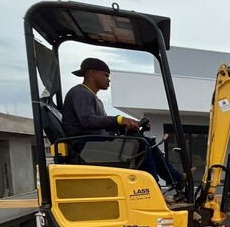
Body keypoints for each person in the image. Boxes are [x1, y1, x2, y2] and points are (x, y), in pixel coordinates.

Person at [61, 57, 184, 193]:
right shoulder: (80, 93)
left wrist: (130, 124)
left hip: (95, 142)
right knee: (141, 144)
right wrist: (119, 120)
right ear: (92, 73)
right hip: (85, 145)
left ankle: (177, 179)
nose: (109, 79)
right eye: (106, 75)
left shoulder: (94, 98)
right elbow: (88, 121)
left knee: (147, 141)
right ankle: (152, 188)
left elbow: (103, 124)